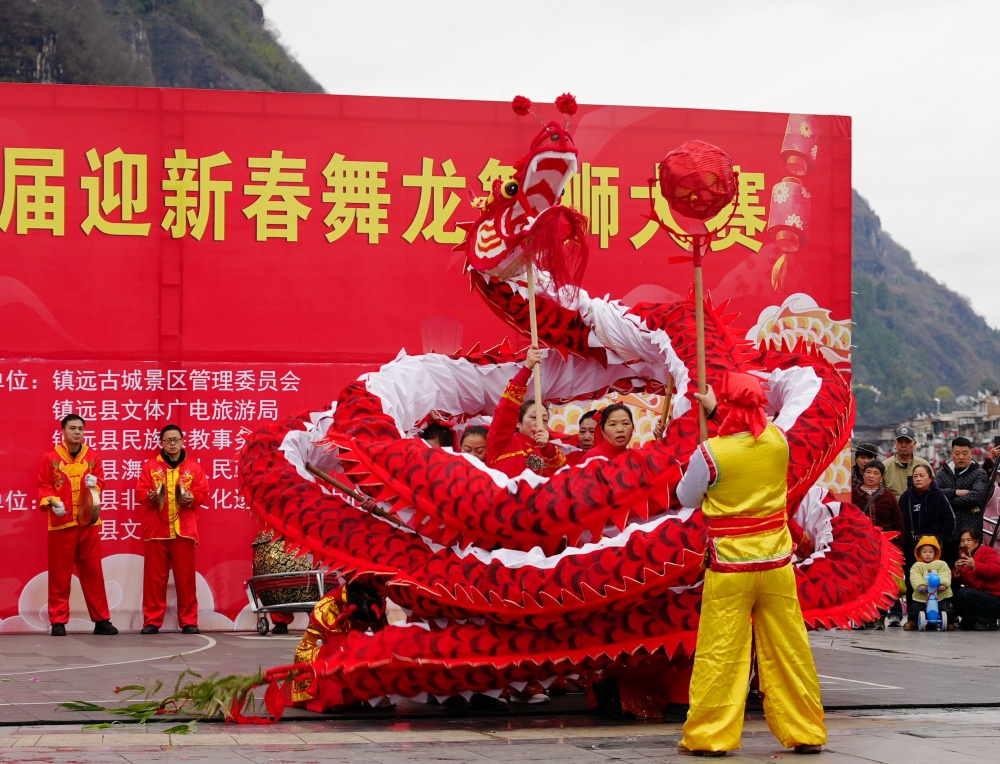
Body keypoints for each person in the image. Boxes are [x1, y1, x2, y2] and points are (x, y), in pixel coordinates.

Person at [676, 373, 825, 756]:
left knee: (721, 651)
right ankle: (805, 730)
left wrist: (712, 423)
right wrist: (719, 410)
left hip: (730, 568)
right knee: (790, 648)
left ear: (727, 404)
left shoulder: (710, 452)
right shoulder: (778, 442)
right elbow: (750, 431)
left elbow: (687, 497)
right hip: (776, 565)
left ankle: (710, 736)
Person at [37, 414, 118, 637]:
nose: (77, 432)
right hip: (61, 523)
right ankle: (58, 621)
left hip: (88, 521)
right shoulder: (51, 457)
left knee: (93, 572)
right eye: (72, 428)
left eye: (80, 428)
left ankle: (101, 620)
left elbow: (100, 482)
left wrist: (96, 485)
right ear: (63, 431)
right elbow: (44, 486)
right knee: (60, 574)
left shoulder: (92, 456)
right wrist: (53, 502)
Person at [135, 425, 209, 635]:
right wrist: (149, 495)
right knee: (154, 580)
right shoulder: (150, 466)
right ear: (162, 443)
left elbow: (203, 492)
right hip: (156, 530)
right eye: (168, 440)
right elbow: (139, 493)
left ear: (183, 441)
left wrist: (192, 497)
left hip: (183, 530)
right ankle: (152, 621)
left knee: (185, 579)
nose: (173, 443)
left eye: (176, 439)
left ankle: (189, 621)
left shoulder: (194, 467)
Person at [486, 347, 566, 478]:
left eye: (544, 420)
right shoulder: (502, 442)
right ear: (518, 423)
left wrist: (547, 448)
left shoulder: (550, 453)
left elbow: (562, 478)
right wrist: (527, 368)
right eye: (534, 417)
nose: (539, 423)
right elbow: (506, 409)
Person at [895, 464, 955, 627]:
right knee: (913, 583)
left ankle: (946, 617)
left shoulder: (939, 496)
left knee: (938, 582)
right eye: (915, 476)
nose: (918, 479)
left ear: (930, 478)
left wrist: (940, 541)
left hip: (934, 548)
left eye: (922, 475)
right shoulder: (906, 497)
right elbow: (899, 523)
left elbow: (950, 520)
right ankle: (913, 619)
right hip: (912, 548)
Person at [850, 459, 904, 628]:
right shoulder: (853, 495)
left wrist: (897, 548)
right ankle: (861, 617)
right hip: (860, 546)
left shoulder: (888, 496)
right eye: (868, 472)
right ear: (863, 474)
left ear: (881, 477)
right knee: (862, 583)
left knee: (882, 583)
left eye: (875, 473)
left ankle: (879, 616)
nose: (871, 476)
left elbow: (898, 523)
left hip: (884, 547)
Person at [936, 437, 989, 567]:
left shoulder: (979, 474)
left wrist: (949, 501)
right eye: (957, 453)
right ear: (951, 454)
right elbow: (935, 494)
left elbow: (976, 497)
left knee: (969, 568)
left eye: (965, 453)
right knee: (947, 569)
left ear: (971, 453)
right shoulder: (942, 474)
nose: (961, 457)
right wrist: (955, 492)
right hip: (947, 533)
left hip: (971, 533)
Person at [952, 527, 1000, 631]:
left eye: (969, 540)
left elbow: (996, 571)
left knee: (965, 593)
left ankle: (987, 621)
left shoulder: (986, 551)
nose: (966, 543)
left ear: (976, 542)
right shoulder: (964, 556)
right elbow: (955, 581)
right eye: (962, 541)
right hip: (979, 596)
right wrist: (957, 570)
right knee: (953, 593)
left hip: (994, 598)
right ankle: (972, 620)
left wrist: (975, 565)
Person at [904, 535, 955, 631]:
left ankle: (949, 622)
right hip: (923, 594)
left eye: (931, 552)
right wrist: (921, 585)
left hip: (940, 593)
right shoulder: (917, 566)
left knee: (946, 607)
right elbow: (915, 576)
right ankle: (913, 621)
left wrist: (943, 584)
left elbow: (945, 574)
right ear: (919, 552)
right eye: (924, 552)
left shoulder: (941, 564)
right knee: (915, 607)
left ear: (936, 552)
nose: (928, 554)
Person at [882, 425, 930, 498]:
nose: (903, 445)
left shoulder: (924, 465)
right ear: (895, 443)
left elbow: (933, 491)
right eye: (900, 442)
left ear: (914, 443)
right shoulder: (885, 466)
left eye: (907, 442)